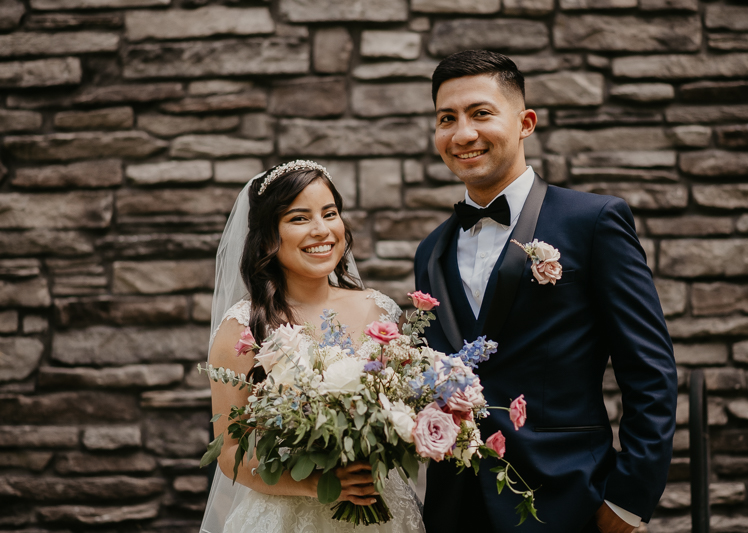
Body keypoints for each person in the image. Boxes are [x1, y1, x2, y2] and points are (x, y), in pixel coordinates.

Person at [414, 50, 677, 533]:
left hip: (568, 499)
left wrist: (629, 499)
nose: (462, 133)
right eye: (445, 119)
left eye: (480, 113)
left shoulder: (593, 222)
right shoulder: (430, 251)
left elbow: (650, 371)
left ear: (525, 122)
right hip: (456, 507)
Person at [201, 160, 425, 533]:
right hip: (288, 517)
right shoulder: (242, 329)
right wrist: (314, 484)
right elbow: (228, 454)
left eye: (330, 213)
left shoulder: (379, 310)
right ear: (269, 235)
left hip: (383, 510)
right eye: (299, 218)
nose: (322, 230)